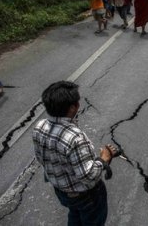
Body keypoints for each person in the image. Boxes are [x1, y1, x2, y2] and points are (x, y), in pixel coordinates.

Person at [33, 81, 118, 226]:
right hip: (86, 196)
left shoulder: (39, 126)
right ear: (73, 107)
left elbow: (41, 158)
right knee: (92, 220)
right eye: (77, 102)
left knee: (75, 214)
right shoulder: (75, 138)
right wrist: (104, 158)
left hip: (62, 191)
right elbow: (88, 175)